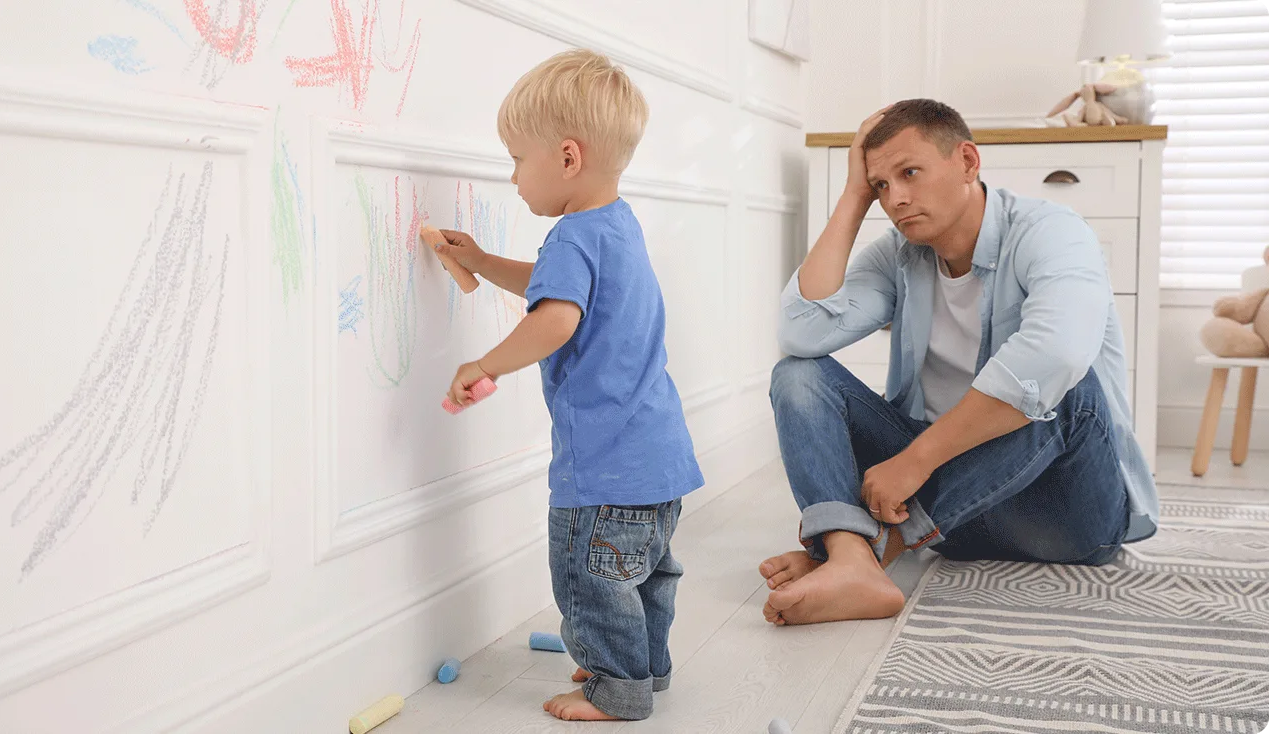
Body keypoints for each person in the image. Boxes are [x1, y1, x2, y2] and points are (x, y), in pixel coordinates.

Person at [758, 99, 1159, 626]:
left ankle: (879, 545)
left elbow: (1055, 355)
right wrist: (855, 196)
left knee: (1070, 387)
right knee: (799, 376)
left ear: (968, 162)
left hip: (1066, 516)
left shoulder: (1052, 232)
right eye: (881, 186)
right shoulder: (900, 253)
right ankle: (851, 560)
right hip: (957, 512)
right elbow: (802, 332)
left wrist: (914, 461)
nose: (896, 199)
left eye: (909, 173)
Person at [434, 49, 703, 721]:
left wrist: (484, 365)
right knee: (646, 578)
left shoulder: (569, 236)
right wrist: (483, 262)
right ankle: (646, 667)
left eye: (518, 159)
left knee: (590, 580)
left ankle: (617, 690)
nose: (514, 176)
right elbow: (561, 288)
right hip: (660, 458)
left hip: (604, 468)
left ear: (568, 158)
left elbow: (557, 315)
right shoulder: (615, 226)